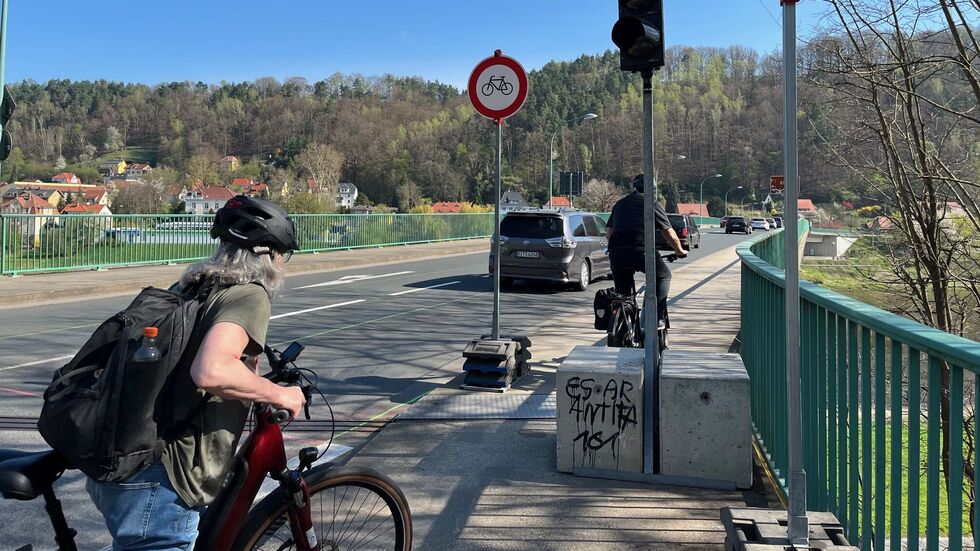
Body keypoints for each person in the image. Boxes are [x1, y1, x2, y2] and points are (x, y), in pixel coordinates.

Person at [85, 195, 306, 550]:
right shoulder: (249, 295)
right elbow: (211, 370)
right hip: (162, 480)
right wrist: (277, 393)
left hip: (124, 462)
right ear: (266, 254)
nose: (283, 264)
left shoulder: (191, 286)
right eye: (283, 254)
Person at [605, 174, 688, 326]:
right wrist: (679, 250)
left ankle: (624, 324)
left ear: (635, 187)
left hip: (617, 252)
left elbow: (609, 233)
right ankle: (656, 317)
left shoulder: (620, 204)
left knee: (624, 295)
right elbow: (669, 233)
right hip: (641, 251)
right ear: (653, 188)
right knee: (663, 276)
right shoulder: (652, 203)